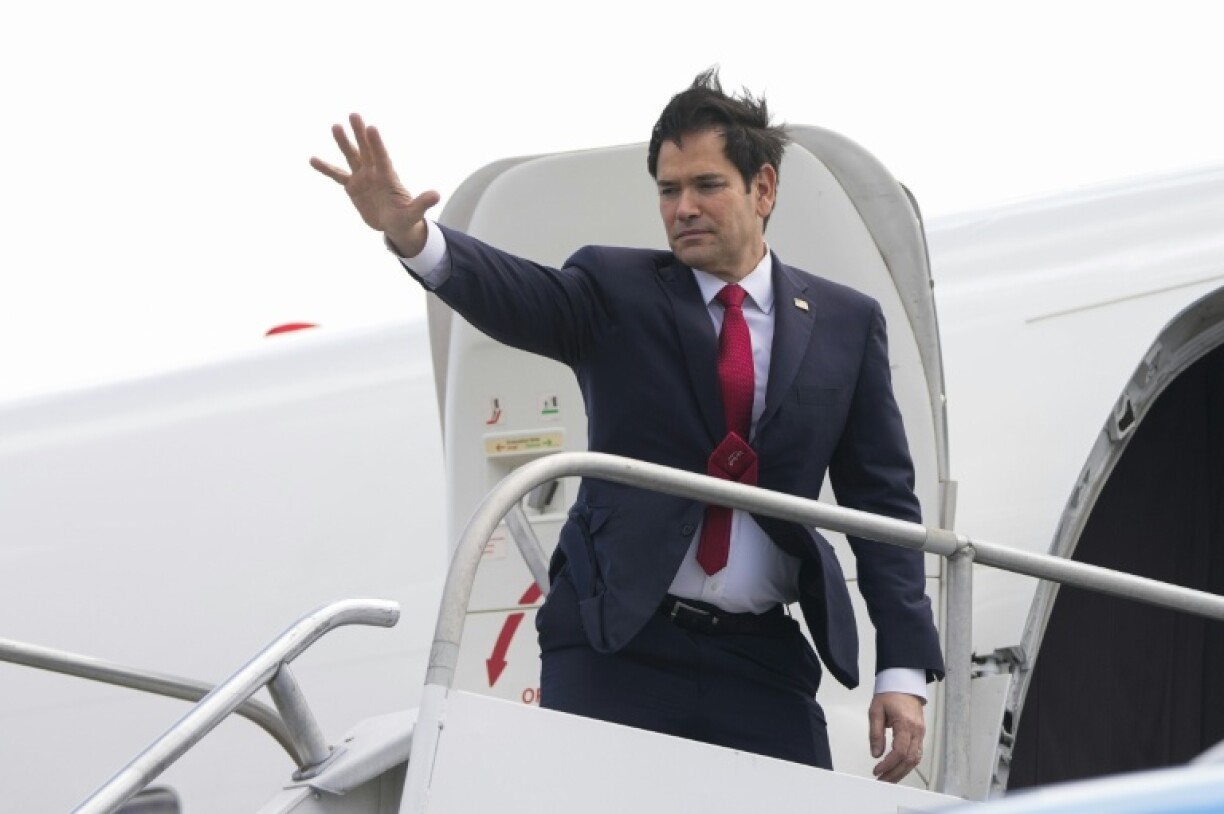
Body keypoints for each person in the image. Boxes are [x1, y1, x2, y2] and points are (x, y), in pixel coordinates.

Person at [312, 69, 944, 783]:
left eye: (706, 185)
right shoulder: (616, 291)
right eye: (668, 190)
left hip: (762, 653)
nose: (683, 208)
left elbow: (882, 503)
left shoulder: (845, 323)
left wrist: (903, 668)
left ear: (763, 189)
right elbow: (516, 294)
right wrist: (415, 237)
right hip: (618, 644)